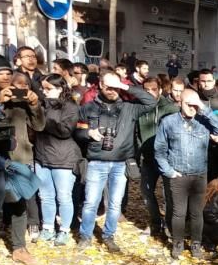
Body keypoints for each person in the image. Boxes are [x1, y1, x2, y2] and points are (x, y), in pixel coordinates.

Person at [77, 70, 156, 252]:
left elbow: (151, 101)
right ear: (100, 85)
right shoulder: (89, 107)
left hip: (121, 163)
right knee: (91, 202)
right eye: (108, 86)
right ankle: (85, 236)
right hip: (96, 162)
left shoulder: (129, 107)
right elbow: (78, 131)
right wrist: (88, 133)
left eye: (115, 86)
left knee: (115, 204)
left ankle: (109, 236)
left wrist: (125, 86)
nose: (112, 90)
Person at [153, 88, 218, 259]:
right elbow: (159, 149)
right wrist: (169, 171)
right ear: (180, 102)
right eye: (188, 104)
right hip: (178, 174)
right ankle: (177, 243)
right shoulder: (169, 122)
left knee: (196, 213)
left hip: (199, 174)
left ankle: (196, 244)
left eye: (195, 104)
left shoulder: (203, 120)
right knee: (179, 212)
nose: (192, 108)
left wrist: (203, 107)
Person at [0, 60, 45, 265]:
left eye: (7, 73)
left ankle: (19, 248)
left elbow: (39, 126)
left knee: (19, 205)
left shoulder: (20, 99)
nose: (5, 76)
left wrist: (34, 104)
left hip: (18, 159)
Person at [33, 74, 80, 246]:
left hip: (63, 158)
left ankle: (65, 230)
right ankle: (47, 228)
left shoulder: (70, 106)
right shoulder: (40, 104)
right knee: (45, 196)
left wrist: (45, 118)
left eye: (48, 89)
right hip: (42, 156)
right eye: (43, 89)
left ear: (60, 89)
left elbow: (65, 130)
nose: (44, 92)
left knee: (64, 196)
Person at [136, 76, 180, 240]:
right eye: (146, 90)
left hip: (167, 159)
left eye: (153, 89)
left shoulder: (169, 108)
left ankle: (169, 226)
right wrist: (136, 155)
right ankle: (156, 222)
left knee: (168, 195)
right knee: (146, 192)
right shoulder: (139, 108)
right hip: (147, 158)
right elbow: (136, 134)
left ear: (160, 90)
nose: (149, 92)